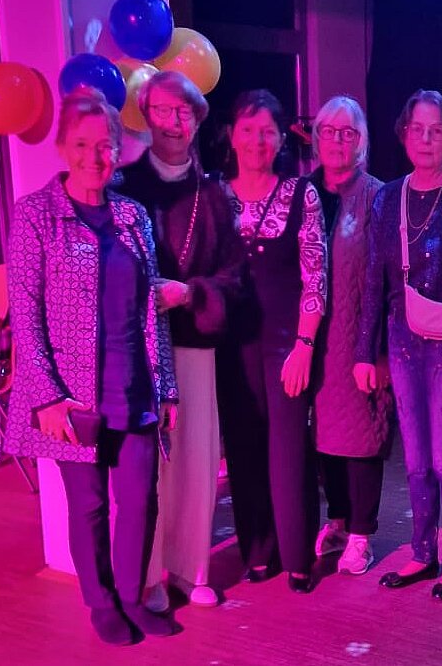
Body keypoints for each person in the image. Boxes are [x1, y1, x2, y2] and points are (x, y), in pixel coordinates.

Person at [5, 88, 178, 644]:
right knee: (89, 506)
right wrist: (47, 398)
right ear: (62, 147)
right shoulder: (35, 215)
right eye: (82, 145)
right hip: (73, 397)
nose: (94, 157)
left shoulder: (132, 216)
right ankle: (101, 604)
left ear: (118, 149)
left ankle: (131, 598)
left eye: (105, 145)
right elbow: (25, 314)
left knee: (141, 501)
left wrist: (167, 388)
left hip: (134, 387)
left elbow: (152, 307)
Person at [354, 89, 442, 601]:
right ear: (404, 134)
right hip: (401, 336)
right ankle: (421, 551)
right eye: (418, 129)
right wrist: (364, 352)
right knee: (413, 457)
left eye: (436, 130)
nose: (427, 138)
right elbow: (374, 279)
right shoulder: (387, 197)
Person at [116, 71, 244, 609]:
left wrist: (191, 293)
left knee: (195, 458)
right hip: (135, 348)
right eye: (163, 111)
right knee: (146, 464)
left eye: (184, 112)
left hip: (193, 342)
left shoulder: (213, 193)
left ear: (198, 120)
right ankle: (147, 577)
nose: (174, 122)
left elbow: (235, 274)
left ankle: (191, 569)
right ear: (146, 115)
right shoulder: (122, 185)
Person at [217, 90, 327, 593]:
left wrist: (305, 345)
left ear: (282, 138)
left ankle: (298, 555)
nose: (257, 141)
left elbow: (315, 277)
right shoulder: (214, 195)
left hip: (287, 346)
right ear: (232, 136)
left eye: (267, 131)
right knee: (244, 449)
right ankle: (258, 551)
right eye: (247, 130)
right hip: (232, 348)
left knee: (288, 451)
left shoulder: (301, 194)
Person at [309, 96, 393, 576]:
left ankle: (362, 533)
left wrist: (378, 350)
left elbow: (387, 281)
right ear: (316, 137)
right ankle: (337, 521)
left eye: (349, 132)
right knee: (323, 436)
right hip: (314, 341)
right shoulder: (303, 193)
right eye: (330, 131)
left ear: (362, 141)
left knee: (362, 435)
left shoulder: (378, 196)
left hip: (361, 338)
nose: (338, 140)